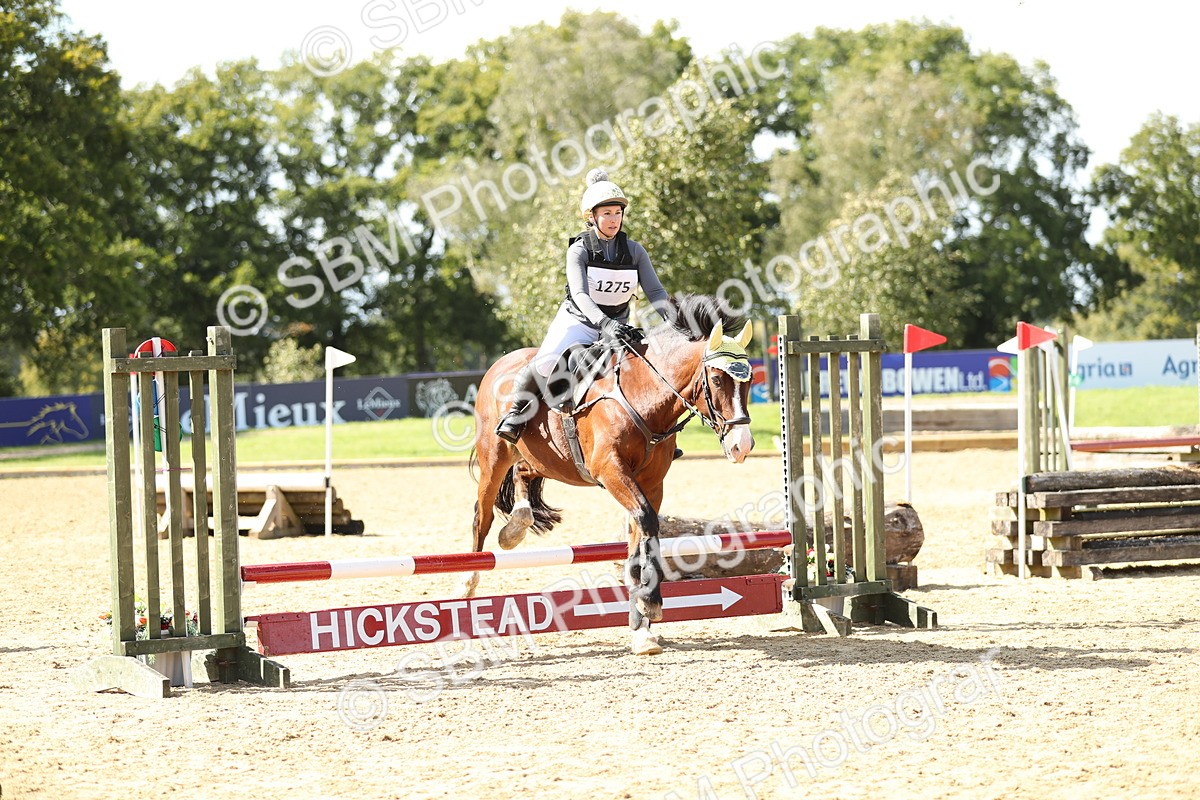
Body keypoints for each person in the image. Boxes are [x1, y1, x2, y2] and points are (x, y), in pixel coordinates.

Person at [495, 168, 672, 444]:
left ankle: (659, 440)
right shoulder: (579, 250)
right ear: (592, 216)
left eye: (617, 213)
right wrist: (605, 324)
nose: (614, 220)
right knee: (545, 362)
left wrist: (675, 322)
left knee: (649, 368)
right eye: (607, 214)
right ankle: (515, 414)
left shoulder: (635, 251)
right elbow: (579, 293)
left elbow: (655, 291)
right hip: (579, 322)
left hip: (619, 326)